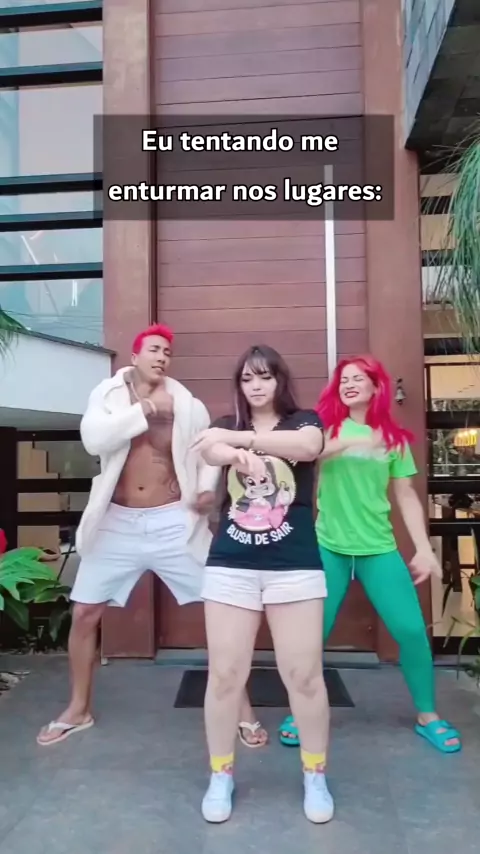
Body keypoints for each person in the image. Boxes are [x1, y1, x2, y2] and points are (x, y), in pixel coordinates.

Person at [36, 323, 259, 745]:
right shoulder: (107, 395)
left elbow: (206, 455)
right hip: (116, 523)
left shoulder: (187, 404)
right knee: (84, 613)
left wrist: (205, 491)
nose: (162, 357)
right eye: (154, 349)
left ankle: (241, 709)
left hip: (173, 520)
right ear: (135, 355)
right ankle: (78, 709)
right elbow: (93, 440)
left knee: (222, 606)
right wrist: (146, 411)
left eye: (167, 352)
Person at [279, 355, 462, 754]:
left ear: (376, 387)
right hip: (328, 546)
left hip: (379, 549)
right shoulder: (324, 428)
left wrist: (423, 548)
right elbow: (306, 456)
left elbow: (406, 496)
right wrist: (350, 441)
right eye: (343, 379)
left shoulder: (394, 440)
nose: (348, 384)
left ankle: (427, 715)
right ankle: (300, 710)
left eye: (357, 379)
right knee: (311, 635)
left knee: (411, 632)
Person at [190, 344, 334, 825]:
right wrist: (233, 450)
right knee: (224, 676)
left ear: (279, 380)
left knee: (305, 676)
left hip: (295, 566)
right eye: (248, 378)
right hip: (231, 566)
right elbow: (210, 447)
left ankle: (315, 773)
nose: (256, 386)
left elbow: (308, 448)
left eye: (265, 376)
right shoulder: (223, 425)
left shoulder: (303, 421)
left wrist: (242, 441)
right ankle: (220, 774)